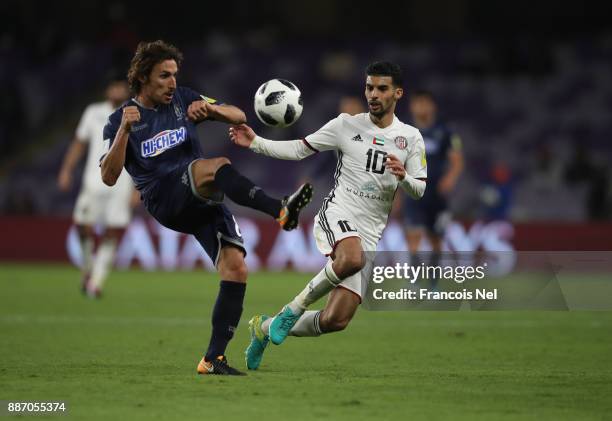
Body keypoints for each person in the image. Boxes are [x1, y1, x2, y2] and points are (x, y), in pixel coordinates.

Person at [100, 40, 313, 375]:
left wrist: (211, 110)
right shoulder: (119, 120)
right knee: (213, 166)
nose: (172, 82)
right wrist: (124, 131)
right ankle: (279, 209)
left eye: (174, 74)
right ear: (142, 77)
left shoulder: (184, 98)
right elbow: (109, 176)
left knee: (236, 268)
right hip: (164, 197)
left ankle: (213, 358)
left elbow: (239, 116)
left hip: (201, 197)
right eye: (163, 76)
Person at [230, 61, 427, 370]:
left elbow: (420, 189)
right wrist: (255, 142)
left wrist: (404, 177)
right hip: (339, 212)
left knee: (337, 319)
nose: (373, 94)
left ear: (397, 93)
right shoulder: (345, 125)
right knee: (351, 258)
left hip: (370, 231)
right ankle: (291, 310)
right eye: (369, 87)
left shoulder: (411, 138)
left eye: (382, 88)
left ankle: (265, 328)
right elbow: (299, 149)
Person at [58, 76, 135, 299]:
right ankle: (88, 267)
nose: (117, 90)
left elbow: (142, 153)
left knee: (112, 232)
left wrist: (138, 189)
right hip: (93, 182)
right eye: (113, 86)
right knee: (83, 226)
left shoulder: (135, 112)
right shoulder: (93, 112)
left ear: (126, 90)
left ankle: (97, 282)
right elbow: (79, 143)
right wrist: (66, 170)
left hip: (122, 183)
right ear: (107, 89)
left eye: (121, 87)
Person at [403, 90, 463, 287]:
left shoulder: (446, 132)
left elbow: (456, 160)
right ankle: (415, 282)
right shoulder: (404, 131)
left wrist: (450, 179)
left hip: (437, 195)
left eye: (424, 103)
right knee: (413, 236)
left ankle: (433, 284)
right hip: (413, 192)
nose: (421, 107)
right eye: (417, 103)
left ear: (432, 106)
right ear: (412, 107)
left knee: (436, 240)